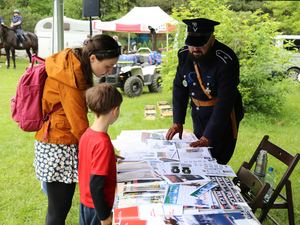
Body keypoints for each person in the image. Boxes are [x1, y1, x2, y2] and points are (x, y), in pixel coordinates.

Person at [33, 34, 121, 225]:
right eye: (107, 66)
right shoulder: (70, 75)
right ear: (92, 58)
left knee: (59, 209)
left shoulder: (78, 65)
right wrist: (102, 151)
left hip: (63, 142)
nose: (109, 71)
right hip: (57, 145)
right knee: (58, 212)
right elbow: (79, 124)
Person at [166, 18, 244, 165]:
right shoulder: (184, 55)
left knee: (216, 159)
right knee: (199, 157)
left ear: (212, 40)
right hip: (198, 113)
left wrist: (209, 136)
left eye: (200, 45)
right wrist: (177, 121)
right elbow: (179, 88)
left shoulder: (226, 61)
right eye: (192, 44)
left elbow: (225, 103)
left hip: (222, 119)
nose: (195, 49)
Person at [78, 83, 123, 225]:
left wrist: (110, 158)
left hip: (85, 203)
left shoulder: (87, 134)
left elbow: (89, 160)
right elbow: (96, 185)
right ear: (115, 110)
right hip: (98, 207)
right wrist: (104, 217)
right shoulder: (102, 143)